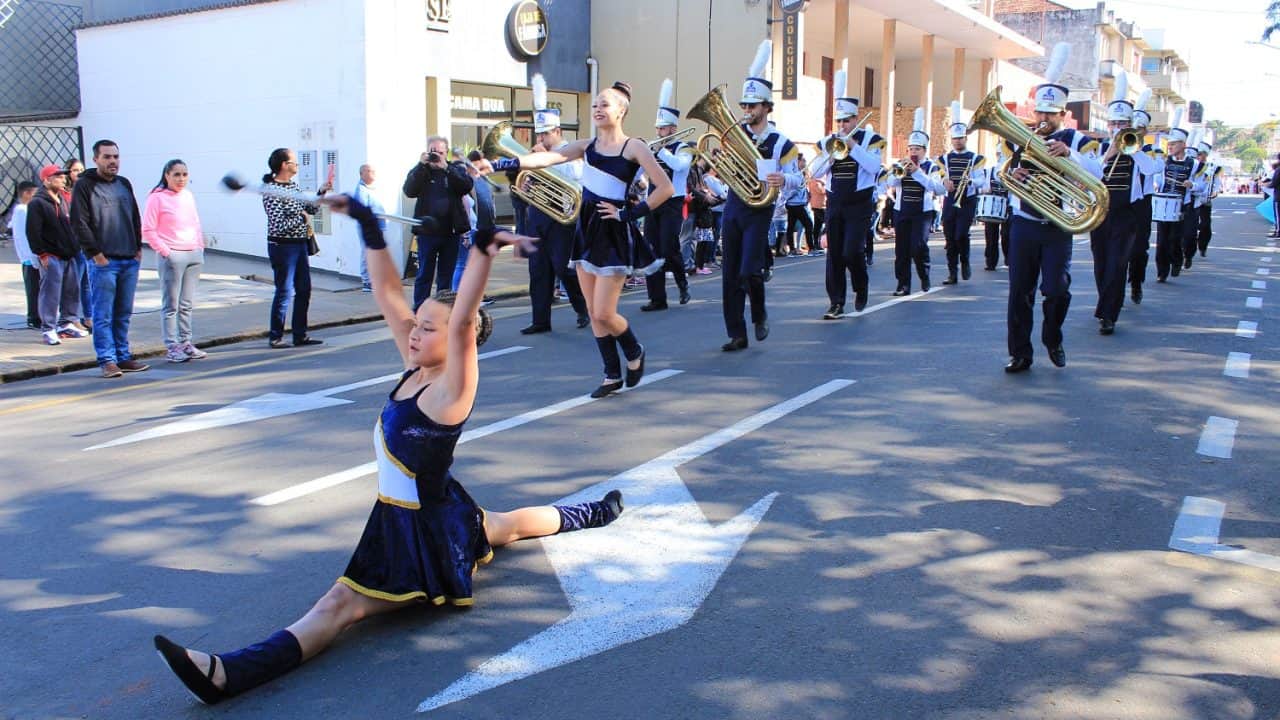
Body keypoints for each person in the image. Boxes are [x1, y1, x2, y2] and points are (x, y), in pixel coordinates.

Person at [152, 194, 626, 706]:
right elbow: (383, 286)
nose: (414, 331)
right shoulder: (417, 363)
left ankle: (227, 674)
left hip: (422, 527)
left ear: (457, 339)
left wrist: (484, 253)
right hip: (432, 507)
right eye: (416, 322)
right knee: (504, 526)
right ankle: (593, 510)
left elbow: (464, 322)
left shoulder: (451, 388)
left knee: (340, 604)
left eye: (428, 327)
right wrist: (365, 223)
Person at [485, 80, 672, 395]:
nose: (598, 109)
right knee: (592, 308)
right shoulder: (587, 146)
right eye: (596, 105)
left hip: (614, 233)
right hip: (586, 230)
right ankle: (611, 374)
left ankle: (634, 350)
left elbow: (665, 188)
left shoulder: (634, 147)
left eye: (605, 104)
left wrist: (629, 214)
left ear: (621, 110)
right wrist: (503, 163)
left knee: (602, 312)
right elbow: (547, 159)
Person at [1002, 43, 1103, 373]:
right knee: (1020, 292)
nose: (1043, 120)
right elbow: (999, 170)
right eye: (1039, 113)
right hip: (1024, 221)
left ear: (1063, 114)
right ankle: (1020, 353)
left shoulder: (1078, 141)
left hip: (1058, 225)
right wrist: (1012, 174)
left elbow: (1099, 173)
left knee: (1056, 289)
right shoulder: (1019, 137)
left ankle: (1052, 336)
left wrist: (1069, 155)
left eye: (1050, 114)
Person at [717, 40, 803, 351]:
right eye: (744, 106)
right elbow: (723, 170)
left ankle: (759, 313)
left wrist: (784, 178)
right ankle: (736, 333)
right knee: (729, 274)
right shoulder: (734, 136)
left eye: (752, 106)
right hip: (734, 205)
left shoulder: (781, 142)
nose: (746, 111)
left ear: (766, 107)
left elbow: (799, 179)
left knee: (749, 269)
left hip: (760, 208)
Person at [808, 69, 883, 318]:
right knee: (835, 255)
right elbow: (815, 171)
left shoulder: (871, 139)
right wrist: (831, 154)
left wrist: (852, 146)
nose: (843, 126)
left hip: (860, 202)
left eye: (847, 121)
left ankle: (861, 287)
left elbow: (873, 168)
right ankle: (836, 302)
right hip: (836, 201)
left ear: (856, 118)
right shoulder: (828, 140)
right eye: (839, 121)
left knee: (852, 251)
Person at [71, 141, 150, 376]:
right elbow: (79, 222)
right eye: (107, 157)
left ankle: (123, 356)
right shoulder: (85, 186)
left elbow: (134, 216)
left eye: (116, 156)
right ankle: (107, 359)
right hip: (104, 261)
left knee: (123, 312)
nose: (112, 161)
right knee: (103, 313)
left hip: (128, 258)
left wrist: (137, 247)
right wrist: (96, 254)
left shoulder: (124, 184)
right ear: (96, 159)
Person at [520, 74, 590, 333]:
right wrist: (526, 185)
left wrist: (547, 159)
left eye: (546, 134)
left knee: (564, 268)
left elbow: (576, 178)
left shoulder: (570, 151)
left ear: (558, 132)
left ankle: (583, 309)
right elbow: (524, 185)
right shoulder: (538, 154)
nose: (541, 139)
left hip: (562, 217)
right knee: (537, 270)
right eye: (539, 134)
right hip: (538, 217)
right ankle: (540, 320)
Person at [1091, 73, 1156, 336]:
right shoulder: (1095, 148)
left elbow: (1152, 169)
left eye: (1122, 123)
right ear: (1107, 125)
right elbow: (1090, 174)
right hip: (1100, 214)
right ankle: (1105, 303)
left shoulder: (1140, 151)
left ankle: (1108, 315)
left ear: (1129, 125)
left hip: (1126, 216)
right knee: (1101, 264)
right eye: (1113, 123)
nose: (1117, 127)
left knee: (1118, 264)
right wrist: (1109, 154)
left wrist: (1133, 148)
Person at [259, 147, 330, 348]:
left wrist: (321, 192)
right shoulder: (271, 190)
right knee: (284, 290)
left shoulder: (293, 186)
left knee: (304, 289)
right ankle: (276, 336)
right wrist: (301, 218)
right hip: (282, 246)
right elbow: (278, 224)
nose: (297, 165)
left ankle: (300, 334)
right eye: (294, 162)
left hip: (299, 244)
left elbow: (310, 208)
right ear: (284, 165)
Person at [143, 159, 208, 362]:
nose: (181, 179)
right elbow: (148, 229)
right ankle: (172, 345)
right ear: (167, 176)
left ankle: (186, 341)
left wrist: (199, 246)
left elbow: (195, 222)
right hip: (172, 254)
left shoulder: (188, 196)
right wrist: (165, 251)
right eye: (176, 174)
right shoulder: (157, 198)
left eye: (184, 174)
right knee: (171, 304)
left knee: (186, 303)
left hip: (193, 253)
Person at [403, 136, 473, 309]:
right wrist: (421, 165)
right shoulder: (422, 170)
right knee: (424, 273)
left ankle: (442, 309)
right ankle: (420, 308)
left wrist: (446, 167)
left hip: (450, 231)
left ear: (446, 152)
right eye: (433, 151)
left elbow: (466, 186)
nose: (436, 156)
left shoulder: (454, 169)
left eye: (440, 152)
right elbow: (409, 191)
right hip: (427, 233)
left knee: (445, 275)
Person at [641, 78, 693, 312]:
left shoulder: (683, 148)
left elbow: (680, 167)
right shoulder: (653, 146)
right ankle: (657, 298)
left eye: (662, 128)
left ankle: (682, 283)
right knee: (651, 249)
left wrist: (659, 149)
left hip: (672, 201)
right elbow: (639, 171)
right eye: (657, 128)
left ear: (672, 128)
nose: (658, 132)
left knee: (669, 246)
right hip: (653, 200)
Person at [887, 108, 946, 297]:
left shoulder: (931, 167)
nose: (913, 152)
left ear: (924, 151)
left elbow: (938, 188)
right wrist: (901, 173)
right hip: (902, 210)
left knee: (918, 247)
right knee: (901, 250)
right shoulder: (900, 164)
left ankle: (924, 274)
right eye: (911, 149)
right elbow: (890, 183)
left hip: (922, 213)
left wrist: (917, 172)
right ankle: (902, 284)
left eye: (917, 149)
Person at [27, 166, 86, 346]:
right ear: (46, 179)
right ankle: (48, 328)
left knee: (71, 290)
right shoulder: (38, 203)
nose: (63, 179)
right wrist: (42, 254)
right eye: (58, 176)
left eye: (63, 176)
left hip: (69, 254)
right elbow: (33, 231)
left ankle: (66, 323)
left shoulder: (62, 199)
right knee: (50, 293)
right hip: (51, 255)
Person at [939, 100, 986, 285]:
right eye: (955, 138)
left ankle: (965, 261)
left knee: (960, 235)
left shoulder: (976, 158)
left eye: (961, 138)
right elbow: (938, 177)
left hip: (967, 200)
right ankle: (952, 272)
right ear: (951, 140)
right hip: (950, 200)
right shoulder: (943, 159)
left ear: (966, 138)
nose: (958, 141)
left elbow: (982, 180)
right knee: (950, 238)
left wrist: (971, 181)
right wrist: (944, 182)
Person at [1153, 114, 1204, 282]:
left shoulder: (1195, 164)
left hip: (1183, 206)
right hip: (1163, 205)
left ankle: (1177, 261)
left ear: (1183, 145)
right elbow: (1157, 179)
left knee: (1175, 239)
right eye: (1169, 144)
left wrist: (1193, 185)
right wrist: (1155, 184)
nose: (1170, 147)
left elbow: (1202, 186)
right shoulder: (1163, 162)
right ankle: (1162, 271)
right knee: (1161, 241)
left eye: (1174, 144)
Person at [1126, 90, 1155, 304]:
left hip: (1142, 204)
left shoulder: (1152, 151)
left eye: (1139, 128)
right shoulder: (1118, 146)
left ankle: (1136, 283)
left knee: (1138, 250)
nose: (1135, 131)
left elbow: (1150, 169)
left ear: (1145, 130)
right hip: (1121, 201)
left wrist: (1136, 150)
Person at [64, 157, 92, 332]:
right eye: (75, 170)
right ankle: (72, 318)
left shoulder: (87, 190)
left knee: (87, 283)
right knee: (74, 283)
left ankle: (88, 317)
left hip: (88, 244)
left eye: (81, 169)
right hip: (74, 244)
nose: (79, 173)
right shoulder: (65, 194)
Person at [7, 181, 40, 329]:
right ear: (27, 193)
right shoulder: (22, 210)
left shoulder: (27, 209)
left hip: (32, 255)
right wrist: (30, 256)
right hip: (29, 257)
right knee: (33, 289)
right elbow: (22, 236)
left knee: (38, 288)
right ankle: (33, 317)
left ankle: (37, 315)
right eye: (35, 193)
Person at [352, 164, 387, 292]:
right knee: (367, 252)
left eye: (373, 170)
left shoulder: (374, 188)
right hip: (368, 227)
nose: (372, 173)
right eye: (368, 171)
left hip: (379, 225)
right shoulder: (361, 189)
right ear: (362, 174)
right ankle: (367, 282)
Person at [982, 145, 1012, 271]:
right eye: (999, 154)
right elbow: (984, 187)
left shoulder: (1012, 171)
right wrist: (985, 189)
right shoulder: (990, 171)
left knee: (1006, 235)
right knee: (990, 235)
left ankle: (1009, 259)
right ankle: (991, 262)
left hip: (1007, 206)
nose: (1001, 156)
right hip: (992, 206)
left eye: (1003, 154)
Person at [781, 155, 815, 257]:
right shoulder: (793, 174)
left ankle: (792, 249)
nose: (805, 162)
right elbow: (787, 190)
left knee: (791, 227)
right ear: (797, 161)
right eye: (803, 160)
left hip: (798, 204)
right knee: (808, 224)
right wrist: (796, 190)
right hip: (795, 204)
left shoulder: (801, 173)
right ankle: (811, 249)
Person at [1193, 137, 1220, 258]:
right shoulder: (1191, 165)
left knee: (1205, 225)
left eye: (1202, 154)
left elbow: (1217, 183)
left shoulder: (1212, 168)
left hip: (1205, 200)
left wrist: (1215, 191)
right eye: (1198, 154)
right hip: (1192, 200)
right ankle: (1188, 247)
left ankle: (1203, 246)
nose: (1200, 157)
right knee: (1190, 225)